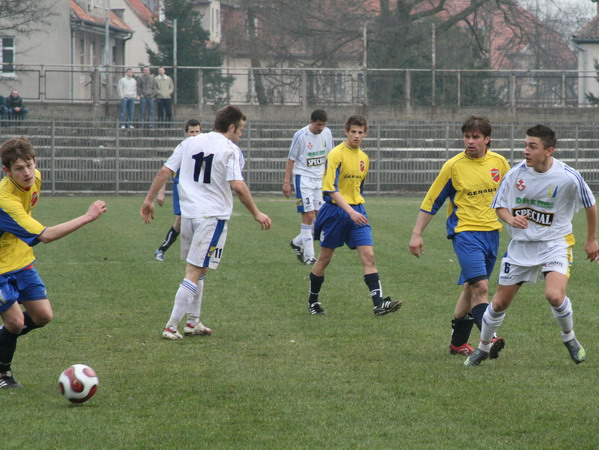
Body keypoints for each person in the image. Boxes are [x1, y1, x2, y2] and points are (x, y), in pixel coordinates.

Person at [465, 124, 599, 366]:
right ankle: (483, 347)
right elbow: (500, 206)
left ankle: (569, 338)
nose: (525, 150)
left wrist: (591, 240)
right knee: (498, 304)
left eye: (532, 146)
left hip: (554, 243)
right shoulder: (515, 174)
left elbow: (590, 204)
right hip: (521, 247)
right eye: (525, 145)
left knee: (554, 295)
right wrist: (510, 218)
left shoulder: (568, 176)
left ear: (549, 151)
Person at [140, 105, 272, 340]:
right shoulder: (231, 149)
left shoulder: (189, 142)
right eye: (241, 130)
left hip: (188, 216)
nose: (241, 134)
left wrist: (149, 199)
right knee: (193, 271)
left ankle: (193, 322)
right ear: (231, 127)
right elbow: (238, 185)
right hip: (211, 217)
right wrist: (256, 212)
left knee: (199, 270)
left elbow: (165, 171)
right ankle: (171, 326)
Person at [0, 138, 107, 389]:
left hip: (20, 258)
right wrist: (87, 217)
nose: (27, 172)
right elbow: (45, 236)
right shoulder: (4, 200)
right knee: (14, 322)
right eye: (19, 168)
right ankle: (2, 373)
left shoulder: (36, 177)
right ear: (6, 171)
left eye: (29, 164)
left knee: (43, 316)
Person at [409, 116, 510, 356]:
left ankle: (457, 344)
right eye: (467, 136)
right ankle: (490, 339)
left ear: (487, 139)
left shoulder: (500, 163)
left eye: (476, 137)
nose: (470, 141)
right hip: (464, 233)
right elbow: (432, 201)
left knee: (470, 288)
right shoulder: (453, 166)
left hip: (491, 233)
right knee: (480, 287)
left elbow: (511, 195)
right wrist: (416, 234)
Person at [307, 114, 401, 316]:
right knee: (325, 259)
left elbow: (358, 188)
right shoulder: (336, 154)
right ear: (346, 132)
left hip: (357, 211)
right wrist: (348, 211)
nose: (357, 136)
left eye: (361, 132)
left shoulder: (364, 158)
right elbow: (330, 188)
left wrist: (354, 210)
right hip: (335, 212)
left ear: (365, 134)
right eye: (353, 132)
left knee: (369, 256)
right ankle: (313, 302)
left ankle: (378, 305)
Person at [282, 109, 334, 265]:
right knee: (308, 216)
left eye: (323, 125)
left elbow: (331, 157)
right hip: (303, 179)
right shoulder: (301, 136)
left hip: (320, 180)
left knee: (322, 219)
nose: (321, 128)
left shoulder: (327, 133)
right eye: (318, 125)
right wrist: (286, 182)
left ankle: (297, 242)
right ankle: (310, 257)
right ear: (312, 122)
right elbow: (291, 159)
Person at [154, 119, 202, 261]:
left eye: (197, 132)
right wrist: (161, 192)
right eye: (191, 132)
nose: (194, 135)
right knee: (183, 221)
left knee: (187, 221)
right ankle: (162, 250)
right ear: (186, 133)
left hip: (199, 191)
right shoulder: (182, 149)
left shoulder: (205, 148)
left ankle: (162, 250)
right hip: (182, 190)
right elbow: (166, 170)